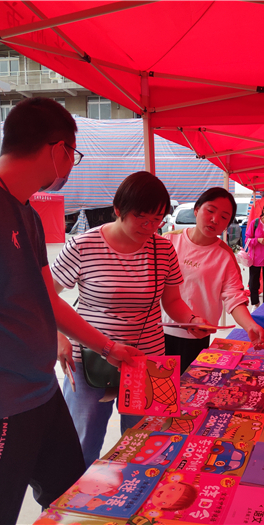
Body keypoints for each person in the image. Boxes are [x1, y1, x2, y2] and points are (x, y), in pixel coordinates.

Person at [0, 98, 143, 524]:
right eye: (73, 155)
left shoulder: (25, 212)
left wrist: (108, 347)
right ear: (58, 150)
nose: (71, 165)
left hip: (41, 393)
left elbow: (47, 300)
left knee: (71, 502)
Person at [51, 171, 213, 468]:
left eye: (157, 219)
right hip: (90, 360)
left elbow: (172, 301)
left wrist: (191, 320)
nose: (149, 227)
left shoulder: (163, 249)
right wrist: (58, 336)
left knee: (145, 444)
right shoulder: (83, 246)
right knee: (82, 444)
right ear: (118, 209)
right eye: (141, 217)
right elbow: (45, 297)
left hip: (146, 361)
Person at [162, 187, 264, 374]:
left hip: (195, 337)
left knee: (188, 389)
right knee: (158, 388)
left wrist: (250, 325)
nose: (215, 220)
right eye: (210, 211)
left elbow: (234, 297)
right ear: (196, 209)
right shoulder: (168, 242)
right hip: (157, 334)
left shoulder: (225, 255)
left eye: (224, 217)